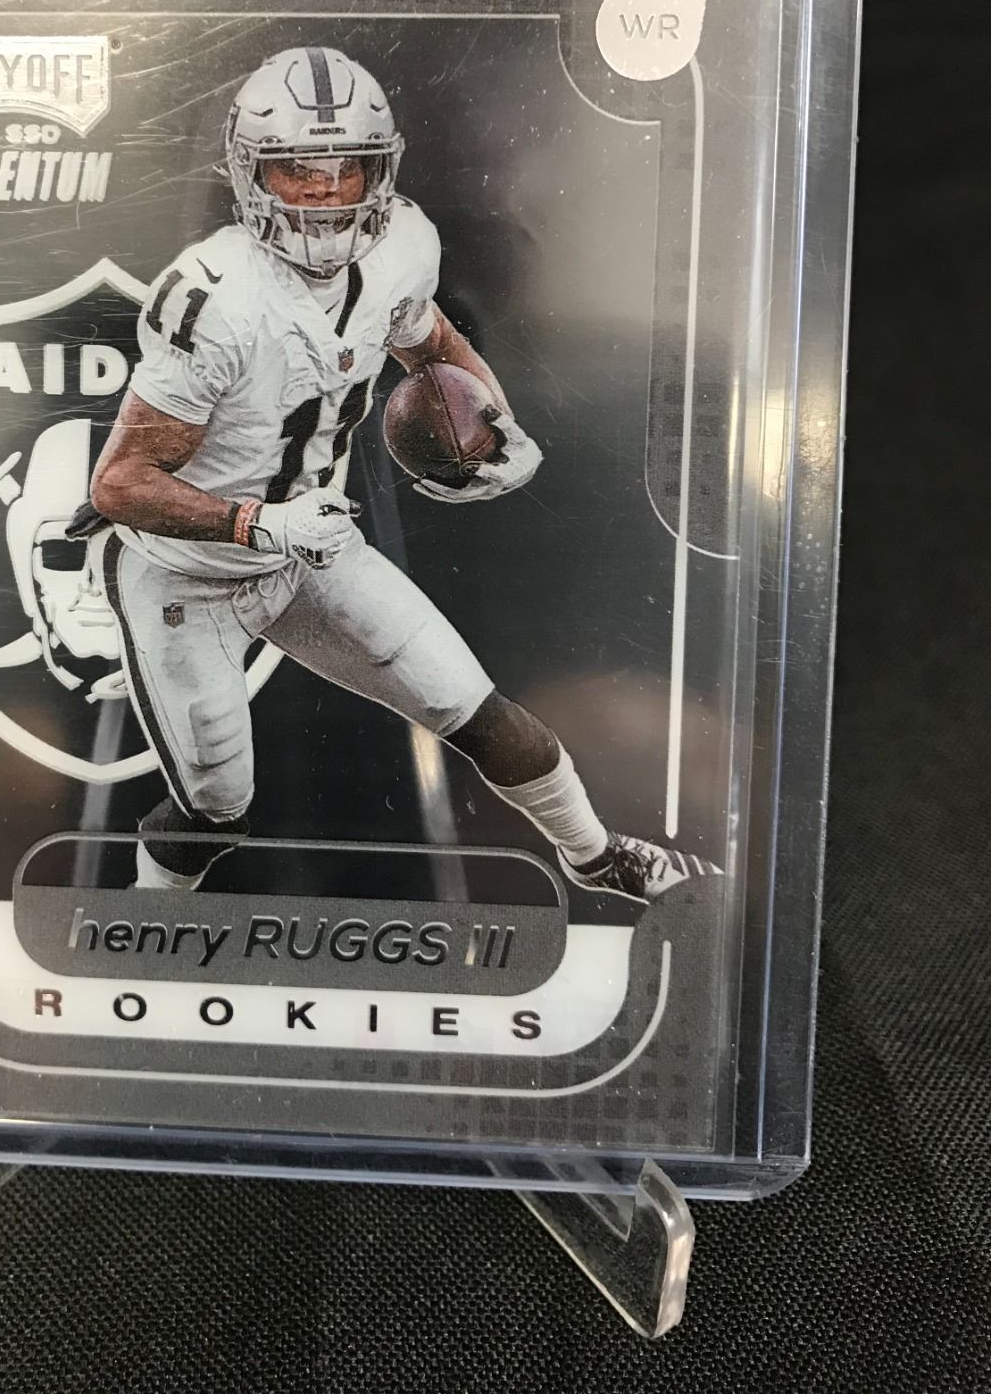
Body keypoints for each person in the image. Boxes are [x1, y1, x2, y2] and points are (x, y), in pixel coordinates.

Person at [70, 46, 720, 900]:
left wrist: (496, 421)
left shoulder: (403, 246)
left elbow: (430, 340)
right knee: (216, 813)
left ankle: (597, 856)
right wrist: (259, 523)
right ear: (251, 173)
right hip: (185, 576)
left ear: (382, 168)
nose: (327, 193)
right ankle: (141, 931)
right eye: (299, 171)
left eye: (349, 168)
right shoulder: (214, 298)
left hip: (310, 548)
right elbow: (119, 484)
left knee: (482, 714)